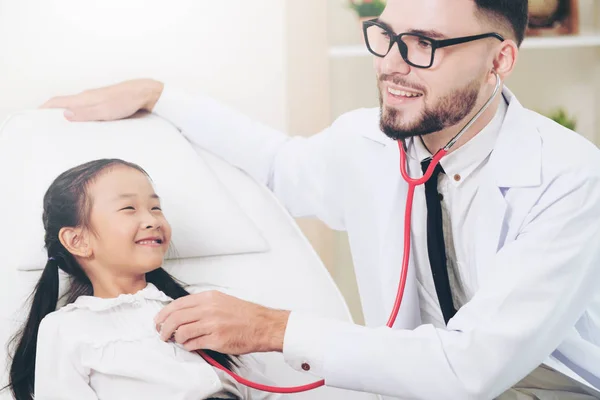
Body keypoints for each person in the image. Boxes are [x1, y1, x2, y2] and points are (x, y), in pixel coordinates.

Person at [40, 0, 600, 398]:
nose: (392, 64)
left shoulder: (569, 178)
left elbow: (472, 369)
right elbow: (279, 163)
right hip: (416, 385)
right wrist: (159, 95)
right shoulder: (367, 143)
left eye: (425, 45)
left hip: (549, 386)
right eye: (386, 35)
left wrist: (272, 328)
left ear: (499, 61)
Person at [2, 159, 285, 400]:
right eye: (129, 209)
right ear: (77, 240)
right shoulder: (65, 328)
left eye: (155, 208)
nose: (152, 220)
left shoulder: (203, 305)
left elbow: (263, 390)